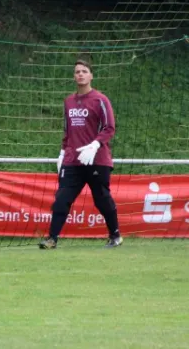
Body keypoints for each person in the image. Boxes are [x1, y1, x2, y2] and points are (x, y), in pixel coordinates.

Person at [39, 59, 122, 249]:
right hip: (73, 161)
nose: (80, 74)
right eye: (77, 71)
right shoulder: (68, 101)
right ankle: (52, 239)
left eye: (84, 71)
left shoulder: (101, 100)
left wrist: (94, 145)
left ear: (91, 75)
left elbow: (109, 128)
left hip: (97, 159)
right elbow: (67, 130)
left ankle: (115, 235)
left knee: (102, 199)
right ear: (73, 76)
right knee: (61, 199)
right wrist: (62, 153)